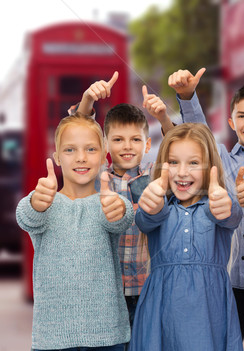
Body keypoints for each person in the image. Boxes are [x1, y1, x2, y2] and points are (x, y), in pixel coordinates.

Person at [169, 68, 244, 338]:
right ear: (231, 123)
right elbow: (200, 132)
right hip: (227, 280)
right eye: (241, 116)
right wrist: (187, 96)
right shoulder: (222, 159)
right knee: (223, 340)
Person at [16, 112, 134, 351]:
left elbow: (122, 218)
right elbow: (26, 217)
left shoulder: (110, 202)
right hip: (52, 337)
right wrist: (36, 203)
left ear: (103, 157)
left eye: (91, 149)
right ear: (57, 157)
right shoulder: (44, 203)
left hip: (107, 336)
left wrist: (120, 208)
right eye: (70, 150)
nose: (81, 158)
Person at [128, 123, 243, 351]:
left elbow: (232, 216)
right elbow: (145, 220)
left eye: (193, 163)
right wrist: (150, 205)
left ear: (210, 166)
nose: (181, 172)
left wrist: (225, 205)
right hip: (160, 316)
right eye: (173, 162)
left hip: (208, 316)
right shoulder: (159, 208)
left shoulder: (217, 205)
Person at [72, 72, 172, 330]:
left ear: (148, 144)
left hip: (146, 288)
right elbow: (77, 136)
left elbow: (179, 148)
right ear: (105, 144)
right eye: (117, 140)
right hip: (105, 290)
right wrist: (87, 101)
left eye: (135, 139)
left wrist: (162, 116)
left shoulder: (154, 175)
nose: (127, 146)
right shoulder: (97, 177)